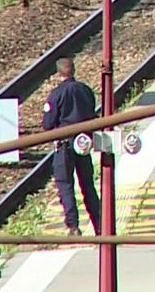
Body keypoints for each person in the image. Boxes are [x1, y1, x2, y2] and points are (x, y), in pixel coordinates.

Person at [43, 57, 101, 236]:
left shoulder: (56, 94)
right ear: (74, 70)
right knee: (88, 185)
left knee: (65, 184)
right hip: (83, 144)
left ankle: (74, 226)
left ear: (58, 73)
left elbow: (48, 123)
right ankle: (99, 224)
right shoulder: (85, 90)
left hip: (64, 144)